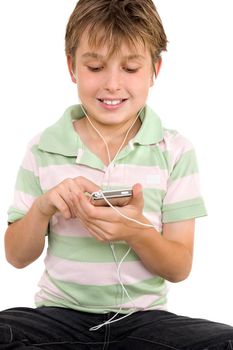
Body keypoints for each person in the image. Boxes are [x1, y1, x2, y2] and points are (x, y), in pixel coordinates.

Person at [1, 0, 233, 349]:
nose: (112, 84)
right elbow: (17, 256)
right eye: (95, 66)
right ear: (72, 67)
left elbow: (179, 267)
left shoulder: (175, 151)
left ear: (155, 69)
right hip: (58, 318)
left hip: (143, 321)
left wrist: (136, 231)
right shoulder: (43, 148)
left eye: (130, 68)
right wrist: (43, 208)